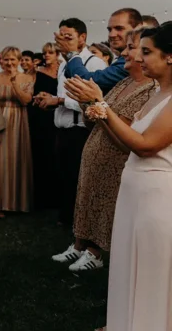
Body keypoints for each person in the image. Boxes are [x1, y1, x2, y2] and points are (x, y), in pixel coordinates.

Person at [64, 22, 172, 331]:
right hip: (133, 191)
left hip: (158, 196)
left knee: (151, 269)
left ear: (170, 57)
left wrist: (100, 104)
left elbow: (146, 145)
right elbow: (123, 138)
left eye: (148, 52)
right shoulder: (156, 93)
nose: (140, 58)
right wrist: (97, 105)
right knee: (128, 265)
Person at [52, 28, 154, 272]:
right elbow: (97, 119)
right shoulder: (123, 82)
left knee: (104, 208)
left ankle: (94, 253)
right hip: (94, 150)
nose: (123, 53)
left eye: (131, 48)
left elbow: (123, 133)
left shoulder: (149, 89)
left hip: (116, 160)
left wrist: (98, 104)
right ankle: (79, 246)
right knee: (86, 200)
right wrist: (89, 104)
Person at [37, 18, 107, 226]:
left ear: (82, 38)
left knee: (80, 181)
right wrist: (49, 99)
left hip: (81, 132)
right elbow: (64, 95)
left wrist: (59, 100)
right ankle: (68, 220)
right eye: (61, 36)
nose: (63, 40)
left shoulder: (93, 63)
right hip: (61, 130)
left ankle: (82, 226)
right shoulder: (62, 65)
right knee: (66, 179)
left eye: (68, 37)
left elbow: (98, 103)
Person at [0, 47, 34, 217]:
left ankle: (17, 203)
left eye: (13, 60)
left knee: (17, 159)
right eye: (6, 59)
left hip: (18, 120)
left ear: (18, 61)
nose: (9, 63)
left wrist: (14, 82)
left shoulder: (28, 77)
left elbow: (26, 100)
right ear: (1, 60)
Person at [60, 8, 141, 93]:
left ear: (138, 28)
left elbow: (89, 82)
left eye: (119, 28)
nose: (112, 34)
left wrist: (72, 54)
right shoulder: (121, 59)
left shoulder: (133, 61)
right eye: (110, 30)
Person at [29, 42, 60, 210]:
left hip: (57, 115)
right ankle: (40, 199)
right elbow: (30, 94)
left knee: (55, 155)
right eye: (44, 53)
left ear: (57, 54)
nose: (47, 55)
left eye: (50, 52)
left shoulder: (63, 71)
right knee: (40, 155)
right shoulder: (37, 73)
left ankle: (55, 197)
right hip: (40, 117)